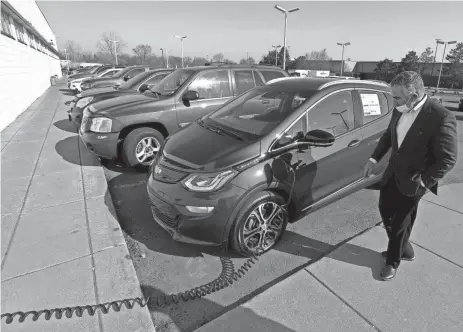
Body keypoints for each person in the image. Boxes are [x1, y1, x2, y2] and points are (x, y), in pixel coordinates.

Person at [364, 71, 458, 281]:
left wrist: (423, 181)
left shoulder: (441, 116)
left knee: (400, 221)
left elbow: (448, 159)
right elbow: (389, 136)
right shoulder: (399, 110)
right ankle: (405, 249)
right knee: (385, 209)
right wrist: (373, 160)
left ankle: (393, 261)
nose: (393, 101)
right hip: (393, 173)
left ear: (414, 94)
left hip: (417, 179)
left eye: (397, 96)